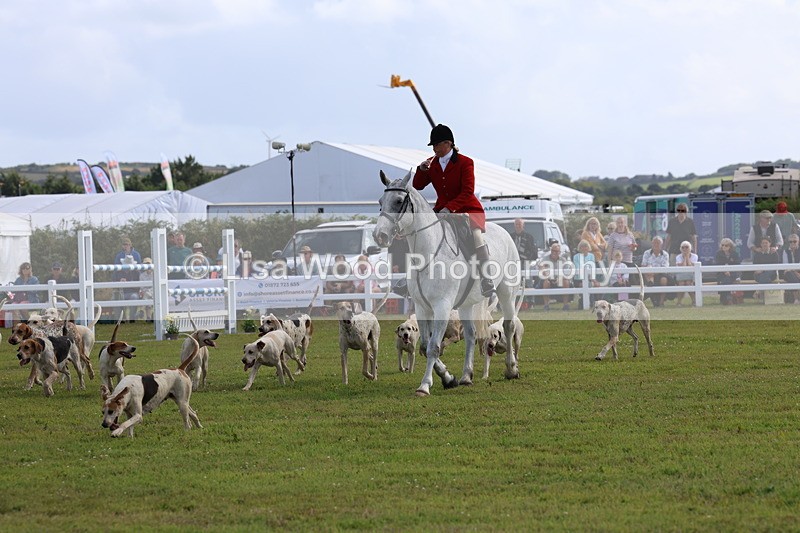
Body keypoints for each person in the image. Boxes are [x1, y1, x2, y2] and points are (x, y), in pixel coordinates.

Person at [412, 123, 494, 297]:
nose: (434, 149)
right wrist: (421, 170)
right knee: (422, 235)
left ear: (448, 144)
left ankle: (487, 278)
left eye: (437, 145)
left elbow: (467, 191)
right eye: (433, 145)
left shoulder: (465, 162)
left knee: (477, 237)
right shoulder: (432, 163)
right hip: (442, 211)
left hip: (467, 209)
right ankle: (411, 278)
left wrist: (450, 208)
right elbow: (417, 185)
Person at [535, 242, 571, 311]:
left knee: (566, 282)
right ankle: (546, 305)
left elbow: (566, 272)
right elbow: (541, 266)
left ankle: (565, 305)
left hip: (559, 280)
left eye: (556, 251)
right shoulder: (545, 258)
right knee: (546, 282)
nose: (554, 252)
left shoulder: (563, 260)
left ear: (559, 252)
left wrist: (560, 278)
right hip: (548, 279)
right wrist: (546, 276)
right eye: (553, 250)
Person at [641, 236, 672, 307]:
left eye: (658, 243)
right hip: (649, 274)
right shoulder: (647, 253)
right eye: (654, 243)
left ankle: (661, 302)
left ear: (661, 245)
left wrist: (654, 272)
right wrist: (650, 271)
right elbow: (643, 265)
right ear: (652, 244)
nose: (656, 245)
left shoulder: (665, 254)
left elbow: (665, 267)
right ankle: (654, 300)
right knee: (649, 277)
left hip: (661, 273)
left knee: (664, 280)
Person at [113, 237, 142, 311]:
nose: (125, 246)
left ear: (130, 245)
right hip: (122, 288)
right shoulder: (119, 256)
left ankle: (132, 320)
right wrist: (120, 279)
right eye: (124, 244)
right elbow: (116, 271)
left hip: (133, 289)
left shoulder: (136, 255)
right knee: (116, 299)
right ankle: (120, 320)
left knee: (134, 298)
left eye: (127, 244)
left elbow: (139, 271)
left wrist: (138, 287)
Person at [714, 238, 741, 305]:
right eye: (722, 245)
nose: (724, 247)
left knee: (727, 279)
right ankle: (728, 298)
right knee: (725, 279)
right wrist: (724, 271)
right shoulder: (718, 254)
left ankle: (724, 298)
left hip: (733, 273)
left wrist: (730, 271)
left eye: (726, 245)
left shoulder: (734, 254)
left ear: (730, 246)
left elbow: (737, 264)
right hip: (721, 273)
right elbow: (718, 264)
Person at [572, 239, 599, 307]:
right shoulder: (576, 257)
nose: (584, 248)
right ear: (579, 248)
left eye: (585, 246)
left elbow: (592, 267)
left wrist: (593, 279)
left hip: (590, 277)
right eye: (582, 246)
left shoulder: (591, 256)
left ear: (588, 247)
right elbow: (578, 267)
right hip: (579, 278)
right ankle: (584, 303)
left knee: (596, 285)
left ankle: (594, 302)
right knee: (584, 285)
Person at [674, 241, 698, 306]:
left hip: (691, 274)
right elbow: (683, 266)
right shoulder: (678, 257)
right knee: (681, 284)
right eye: (683, 247)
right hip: (681, 274)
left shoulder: (694, 256)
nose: (685, 249)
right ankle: (679, 302)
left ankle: (694, 301)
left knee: (688, 283)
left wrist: (687, 257)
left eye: (687, 247)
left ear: (690, 248)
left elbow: (690, 265)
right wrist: (685, 257)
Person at [782, 234, 800, 304]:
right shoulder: (785, 251)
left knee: (793, 277)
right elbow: (785, 265)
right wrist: (795, 272)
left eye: (794, 241)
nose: (792, 243)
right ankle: (796, 299)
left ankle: (796, 299)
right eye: (790, 242)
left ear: (798, 242)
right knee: (790, 275)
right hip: (789, 273)